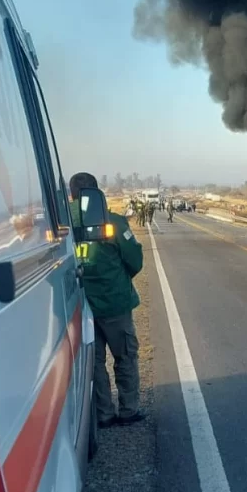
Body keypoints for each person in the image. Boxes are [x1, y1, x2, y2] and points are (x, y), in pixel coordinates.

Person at [69, 172, 146, 427]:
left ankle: (103, 413)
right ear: (96, 193)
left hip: (80, 306)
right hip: (114, 303)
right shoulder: (112, 222)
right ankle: (128, 410)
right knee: (125, 357)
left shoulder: (62, 224)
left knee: (95, 363)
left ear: (71, 194)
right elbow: (134, 261)